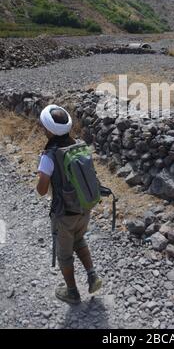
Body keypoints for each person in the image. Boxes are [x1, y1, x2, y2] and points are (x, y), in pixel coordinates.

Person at [37, 104, 102, 305]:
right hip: (84, 208)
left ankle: (72, 292)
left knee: (64, 255)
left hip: (64, 214)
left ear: (49, 130)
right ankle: (92, 276)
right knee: (79, 240)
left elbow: (41, 190)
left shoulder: (49, 157)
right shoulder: (78, 146)